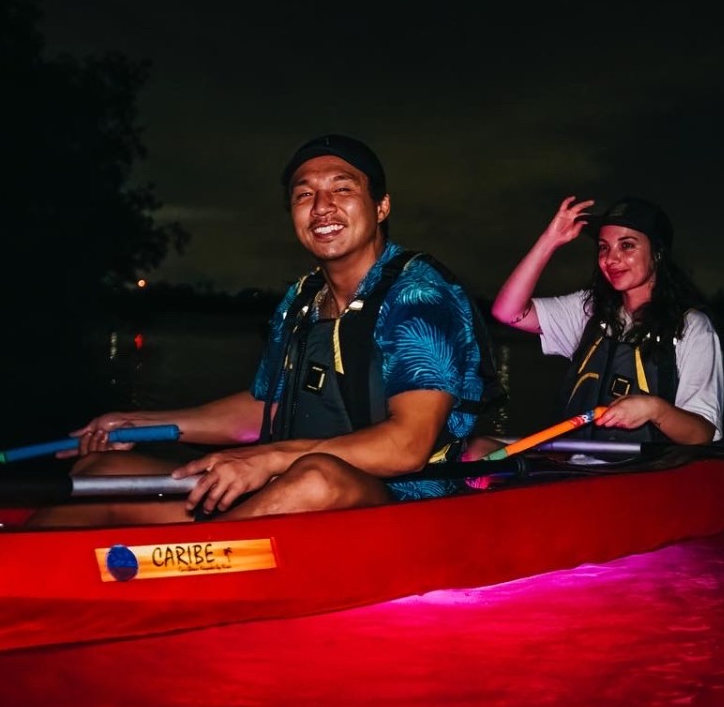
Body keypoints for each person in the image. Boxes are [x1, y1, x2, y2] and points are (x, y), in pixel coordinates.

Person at [32, 134, 501, 525]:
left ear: (380, 207)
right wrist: (141, 424)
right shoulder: (301, 299)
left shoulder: (419, 296)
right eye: (304, 194)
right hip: (287, 493)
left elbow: (407, 445)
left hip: (401, 508)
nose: (321, 207)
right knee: (102, 468)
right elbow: (265, 409)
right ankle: (0, 580)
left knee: (318, 476)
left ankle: (195, 562)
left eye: (342, 189)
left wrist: (273, 459)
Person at [491, 195, 723, 446]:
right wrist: (549, 241)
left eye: (627, 246)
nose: (610, 259)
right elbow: (507, 312)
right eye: (604, 247)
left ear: (657, 254)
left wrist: (656, 409)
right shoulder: (588, 311)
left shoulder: (693, 328)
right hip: (571, 465)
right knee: (478, 449)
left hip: (642, 475)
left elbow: (702, 434)